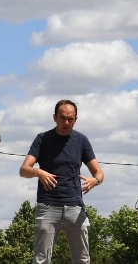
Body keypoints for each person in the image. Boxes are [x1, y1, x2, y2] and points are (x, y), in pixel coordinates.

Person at [20, 99, 105, 264]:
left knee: (82, 258)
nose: (66, 122)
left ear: (75, 119)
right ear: (54, 117)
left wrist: (95, 181)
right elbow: (23, 170)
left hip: (75, 206)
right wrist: (38, 172)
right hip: (48, 205)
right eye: (62, 118)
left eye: (70, 119)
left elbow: (99, 173)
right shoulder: (42, 139)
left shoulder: (81, 140)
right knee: (41, 259)